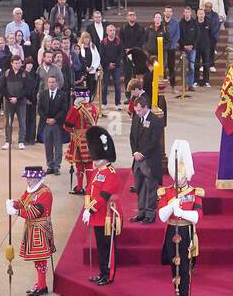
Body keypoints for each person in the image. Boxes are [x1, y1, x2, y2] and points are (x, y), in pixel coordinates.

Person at [158, 138, 204, 296]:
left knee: (185, 266)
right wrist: (171, 205)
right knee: (173, 265)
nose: (179, 180)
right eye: (177, 177)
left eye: (182, 177)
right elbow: (162, 216)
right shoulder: (167, 191)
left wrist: (182, 212)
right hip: (171, 230)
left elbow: (197, 216)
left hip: (186, 231)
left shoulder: (194, 193)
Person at [7, 164, 55, 296]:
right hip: (31, 228)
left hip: (40, 229)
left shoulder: (45, 193)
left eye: (30, 178)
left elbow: (34, 211)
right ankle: (40, 284)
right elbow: (23, 203)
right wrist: (13, 203)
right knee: (37, 260)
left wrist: (16, 211)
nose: (28, 180)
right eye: (27, 178)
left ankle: (42, 285)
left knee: (40, 259)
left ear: (37, 178)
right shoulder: (31, 190)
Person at [81, 125, 121, 285]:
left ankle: (108, 274)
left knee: (108, 248)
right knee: (101, 247)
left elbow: (104, 196)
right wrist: (87, 208)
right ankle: (102, 272)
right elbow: (91, 191)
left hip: (106, 216)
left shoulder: (111, 174)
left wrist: (90, 209)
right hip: (98, 216)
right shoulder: (99, 171)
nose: (94, 160)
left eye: (96, 158)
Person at [130, 90, 165, 222]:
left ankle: (150, 214)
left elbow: (154, 141)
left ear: (146, 107)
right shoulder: (136, 118)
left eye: (139, 110)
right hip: (137, 160)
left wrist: (142, 154)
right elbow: (132, 137)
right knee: (139, 186)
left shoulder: (156, 121)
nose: (137, 113)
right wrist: (135, 153)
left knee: (151, 187)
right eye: (136, 110)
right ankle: (141, 212)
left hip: (150, 160)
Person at [64, 86, 99, 193]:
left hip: (79, 140)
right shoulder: (94, 108)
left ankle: (79, 187)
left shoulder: (75, 109)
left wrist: (74, 132)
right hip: (91, 139)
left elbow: (67, 125)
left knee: (79, 164)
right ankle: (89, 187)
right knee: (89, 164)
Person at [38, 72, 68, 174]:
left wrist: (55, 119)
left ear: (57, 83)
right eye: (49, 82)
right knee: (48, 145)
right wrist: (46, 119)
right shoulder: (43, 94)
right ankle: (50, 166)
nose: (51, 84)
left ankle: (57, 166)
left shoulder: (63, 95)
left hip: (57, 124)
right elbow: (40, 109)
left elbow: (64, 110)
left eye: (53, 82)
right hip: (46, 124)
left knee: (58, 146)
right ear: (47, 83)